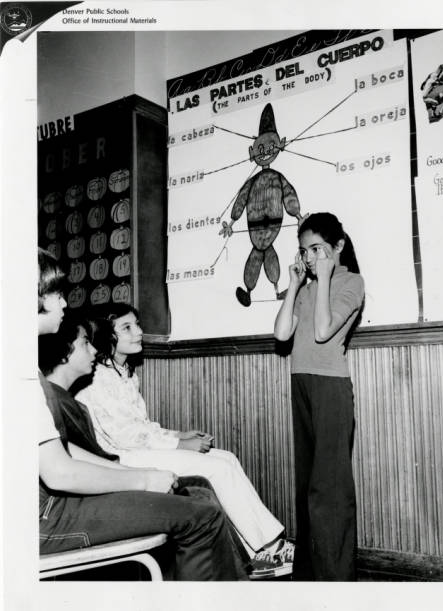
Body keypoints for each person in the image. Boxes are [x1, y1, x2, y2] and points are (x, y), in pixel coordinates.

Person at [37, 248, 247, 581]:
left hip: (50, 510)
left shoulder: (33, 379)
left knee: (200, 497)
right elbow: (60, 474)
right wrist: (143, 478)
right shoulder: (27, 380)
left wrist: (143, 470)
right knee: (202, 517)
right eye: (56, 293)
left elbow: (63, 451)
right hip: (45, 520)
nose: (65, 302)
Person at [74, 302, 294, 578]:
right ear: (108, 335)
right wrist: (179, 445)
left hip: (135, 449)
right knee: (218, 468)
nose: (138, 332)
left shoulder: (125, 372)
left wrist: (179, 435)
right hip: (119, 459)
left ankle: (260, 553)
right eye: (127, 327)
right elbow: (126, 436)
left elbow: (141, 426)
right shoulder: (98, 377)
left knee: (226, 458)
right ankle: (268, 548)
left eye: (138, 325)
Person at [274, 212, 365, 581]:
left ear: (338, 247)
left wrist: (325, 277)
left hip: (330, 388)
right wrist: (295, 285)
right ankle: (309, 577)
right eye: (304, 251)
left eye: (317, 249)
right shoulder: (308, 286)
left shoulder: (351, 282)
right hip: (302, 384)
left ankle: (337, 579)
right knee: (307, 487)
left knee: (329, 490)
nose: (310, 258)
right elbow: (282, 335)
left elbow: (325, 330)